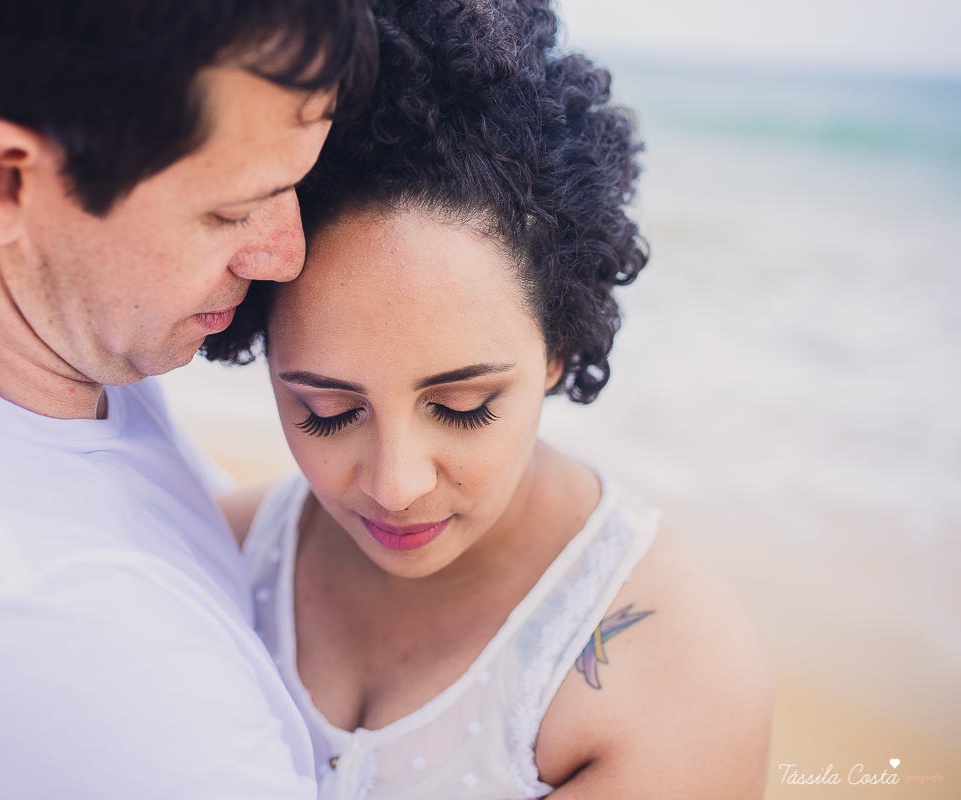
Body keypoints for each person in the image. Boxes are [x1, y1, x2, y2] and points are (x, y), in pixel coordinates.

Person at [0, 2, 375, 798]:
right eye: (231, 209)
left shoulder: (22, 374)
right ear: (1, 182)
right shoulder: (50, 633)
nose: (285, 254)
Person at [205, 1, 773, 797]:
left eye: (464, 405)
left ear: (559, 349)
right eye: (327, 411)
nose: (396, 486)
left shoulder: (674, 670)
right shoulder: (214, 557)